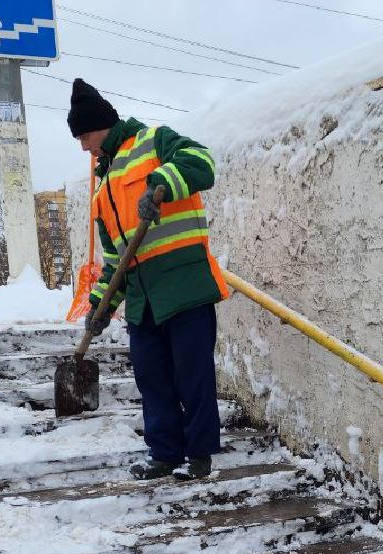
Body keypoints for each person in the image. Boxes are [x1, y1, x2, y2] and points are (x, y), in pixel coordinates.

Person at [68, 78, 229, 481]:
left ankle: (200, 456)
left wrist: (163, 184)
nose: (83, 146)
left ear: (101, 126)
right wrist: (100, 306)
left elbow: (203, 161)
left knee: (192, 376)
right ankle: (164, 453)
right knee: (152, 378)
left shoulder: (153, 140)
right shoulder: (101, 190)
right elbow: (114, 260)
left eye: (84, 135)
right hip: (143, 298)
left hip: (183, 286)